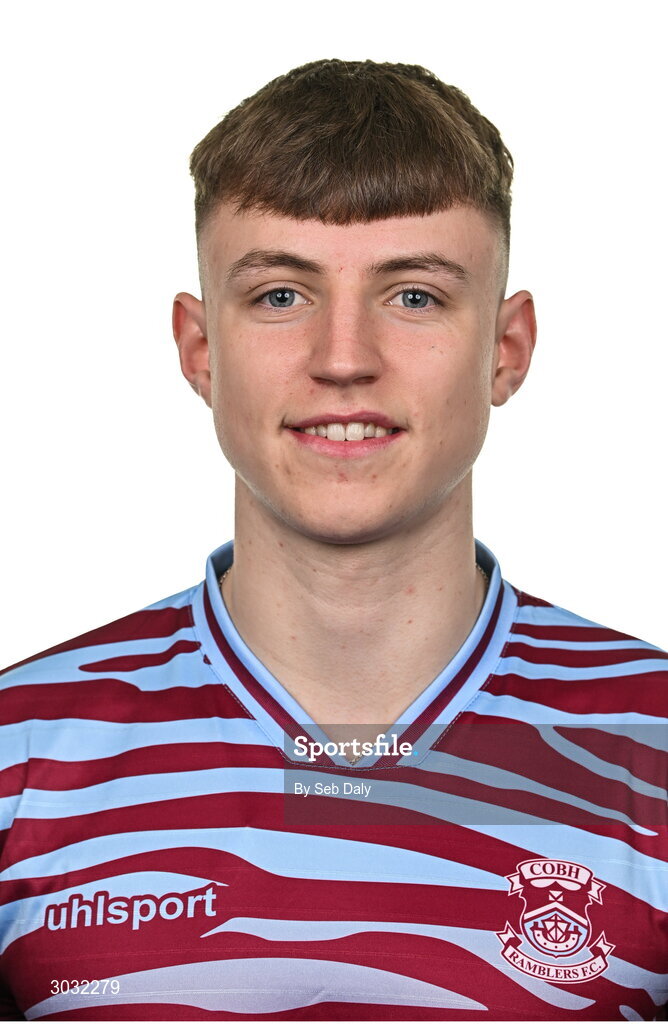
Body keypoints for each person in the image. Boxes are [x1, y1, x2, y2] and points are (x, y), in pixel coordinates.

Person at [0, 59, 666, 1022]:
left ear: (507, 349)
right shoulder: (21, 752)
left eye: (415, 296)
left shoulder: (650, 743)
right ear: (199, 351)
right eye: (280, 295)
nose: (343, 359)